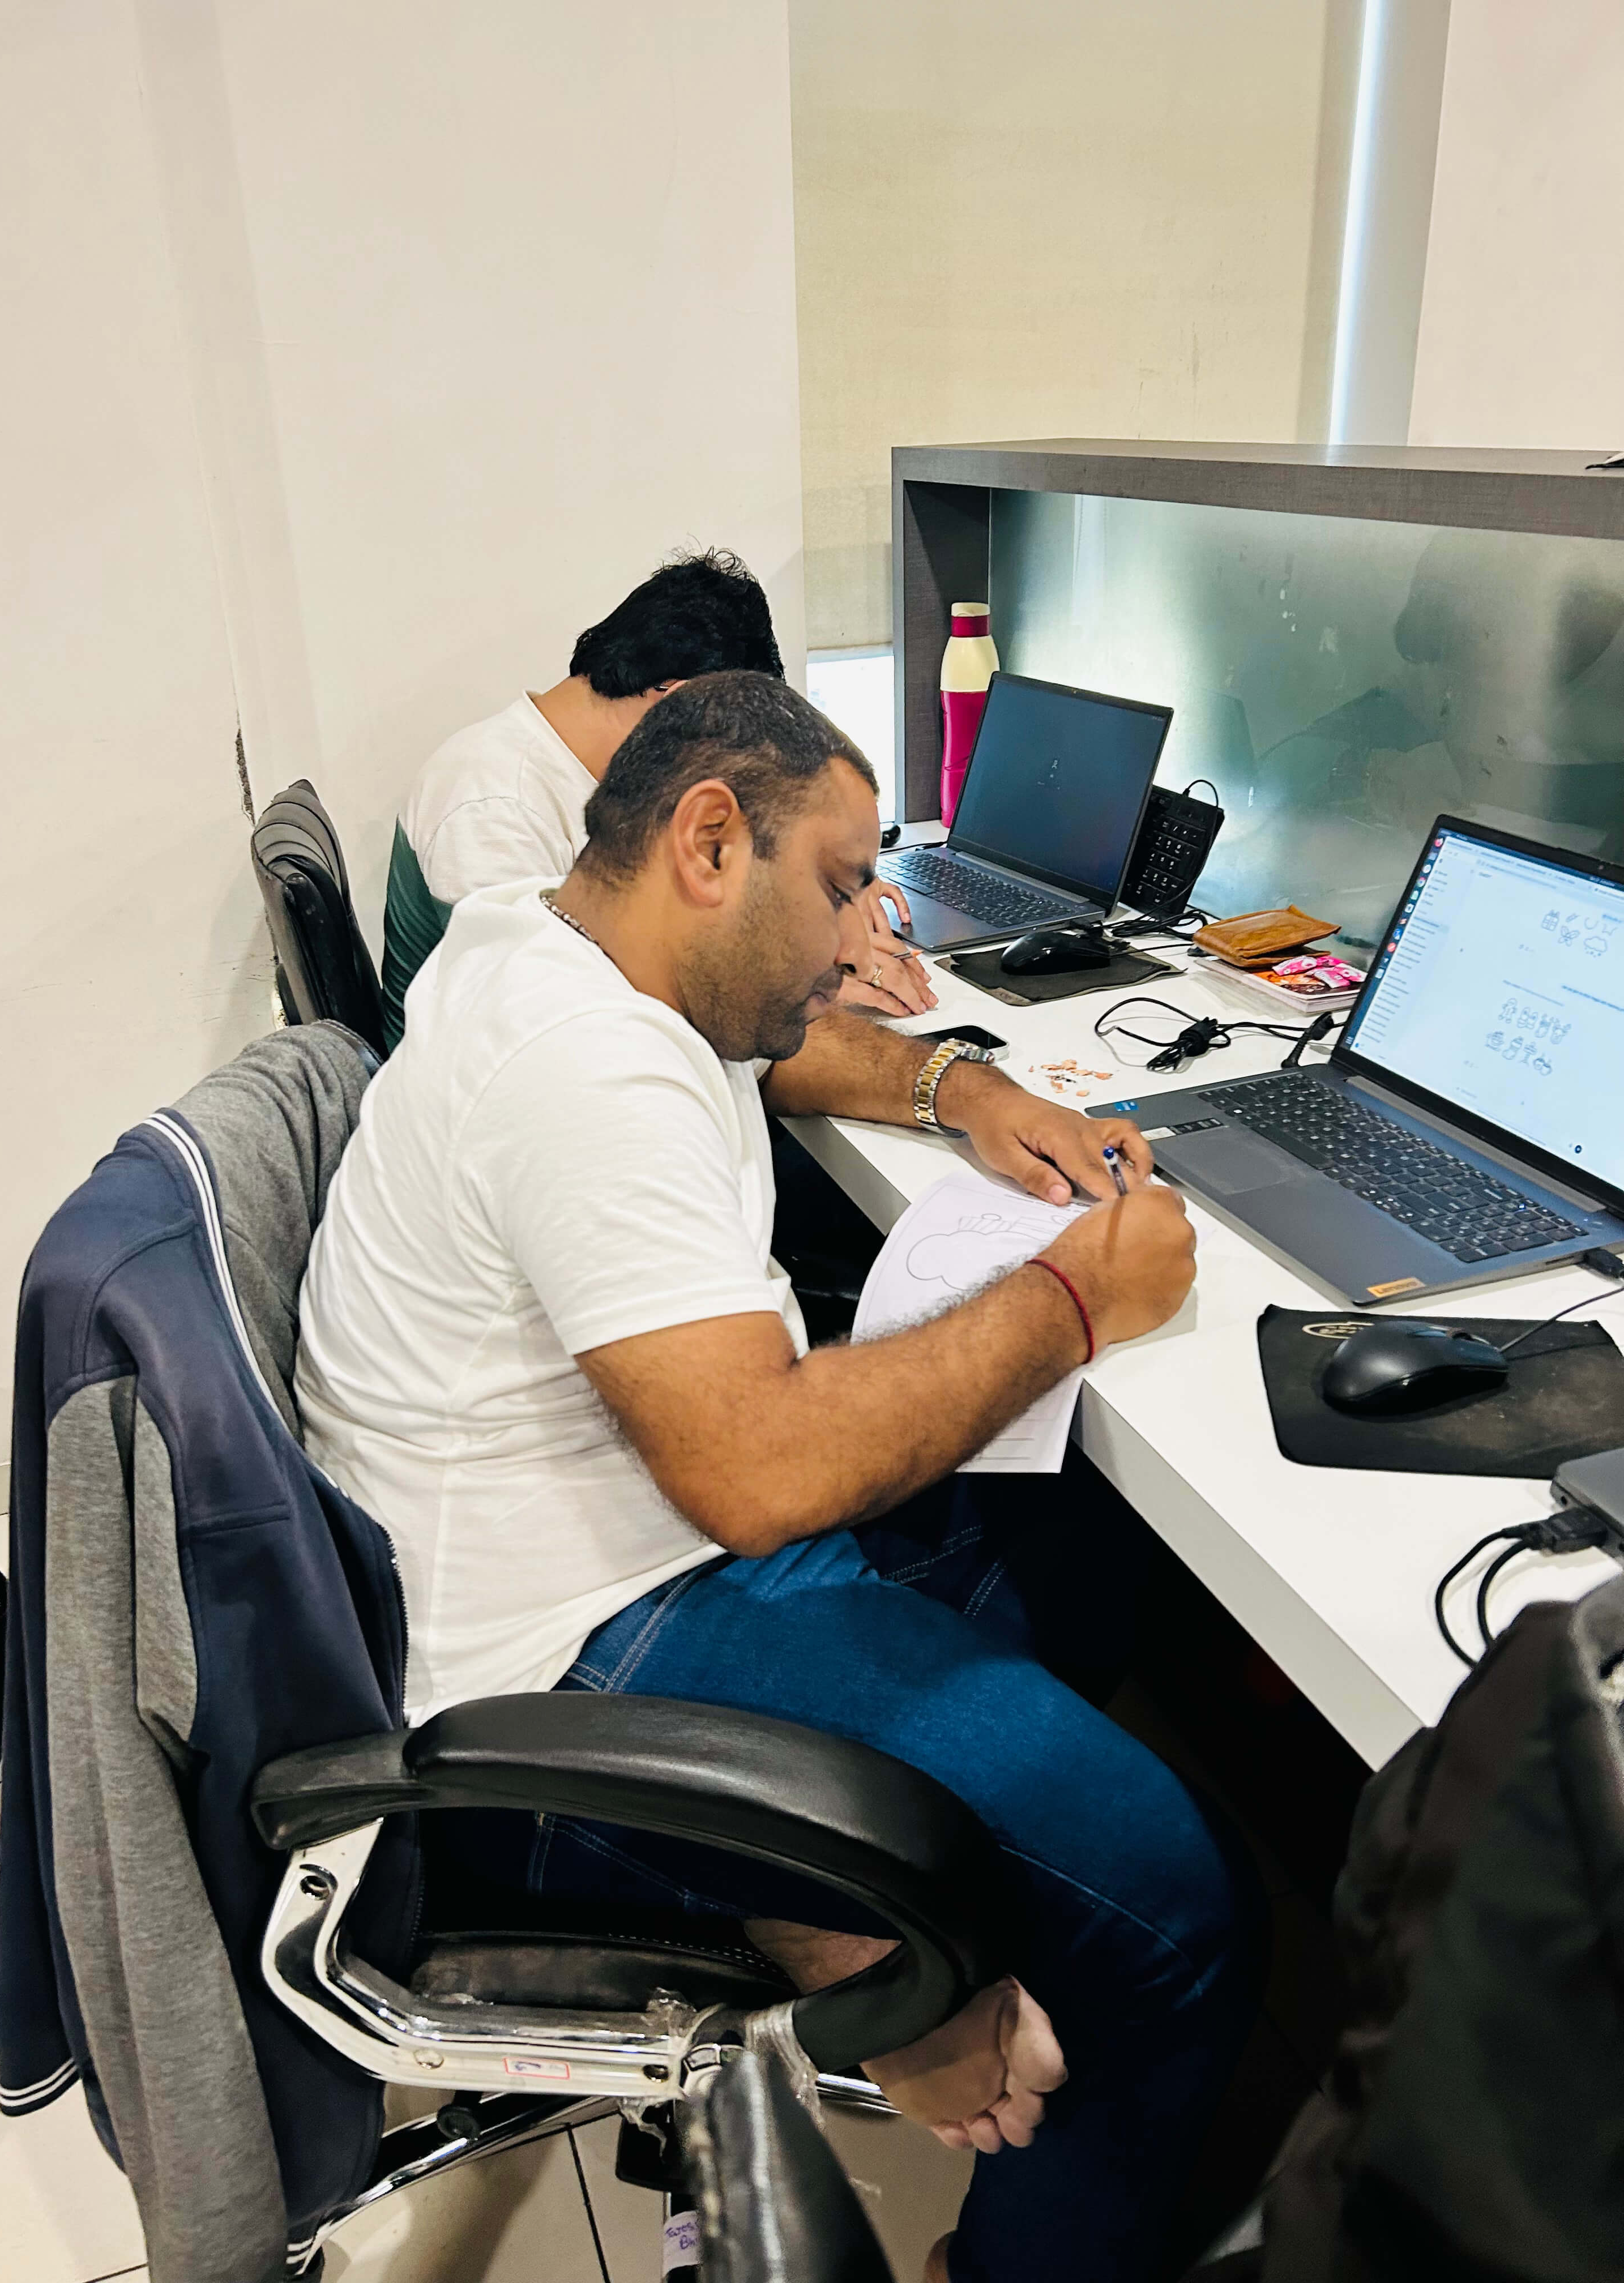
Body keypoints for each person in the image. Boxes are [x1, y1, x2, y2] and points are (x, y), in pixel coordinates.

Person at [298, 673, 1256, 2283]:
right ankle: (920, 2012)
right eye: (838, 884)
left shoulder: (551, 946)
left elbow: (785, 1056)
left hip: (596, 1563)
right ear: (709, 842)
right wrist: (1079, 1297)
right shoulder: (583, 1068)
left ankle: (911, 1919)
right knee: (1179, 1905)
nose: (861, 935)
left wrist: (963, 1088)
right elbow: (759, 1472)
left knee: (1084, 1547)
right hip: (560, 1688)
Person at [379, 548, 932, 1044]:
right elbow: (564, 1019)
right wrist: (804, 981)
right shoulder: (494, 800)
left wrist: (826, 890)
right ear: (681, 704)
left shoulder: (615, 784)